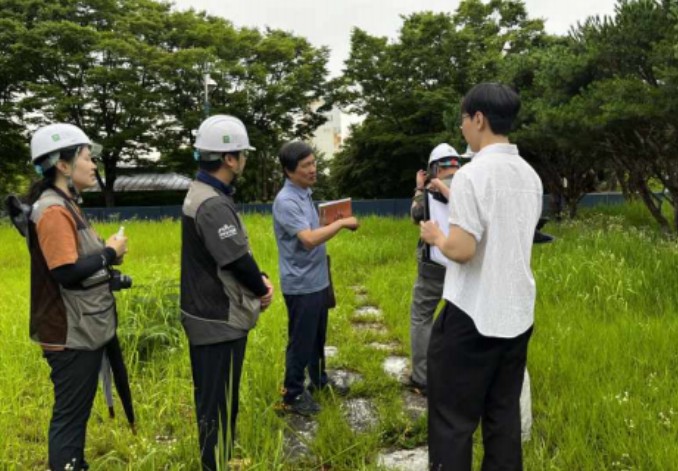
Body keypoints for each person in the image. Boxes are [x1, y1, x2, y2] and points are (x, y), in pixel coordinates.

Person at [421, 83, 543, 471]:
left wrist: (436, 236)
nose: (461, 127)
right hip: (516, 314)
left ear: (479, 119)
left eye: (463, 119)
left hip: (471, 314)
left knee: (452, 421)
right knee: (502, 418)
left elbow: (462, 249)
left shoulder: (473, 175)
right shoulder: (529, 175)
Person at [23, 123, 128, 471]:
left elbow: (78, 262)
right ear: (63, 165)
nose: (94, 165)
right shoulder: (53, 210)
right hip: (70, 333)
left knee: (75, 415)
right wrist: (109, 253)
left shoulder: (67, 205)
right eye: (87, 157)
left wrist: (107, 257)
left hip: (82, 327)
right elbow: (65, 271)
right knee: (70, 418)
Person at [180, 115, 274, 470]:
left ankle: (220, 457)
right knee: (217, 402)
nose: (244, 159)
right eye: (242, 153)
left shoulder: (204, 193)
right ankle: (214, 462)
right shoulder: (213, 203)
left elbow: (228, 254)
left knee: (217, 397)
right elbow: (236, 259)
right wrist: (261, 287)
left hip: (208, 313)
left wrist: (257, 276)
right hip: (217, 316)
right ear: (229, 158)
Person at [272, 141, 359, 416]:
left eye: (313, 162)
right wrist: (341, 223)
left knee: (317, 338)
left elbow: (313, 227)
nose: (313, 169)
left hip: (317, 279)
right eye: (306, 165)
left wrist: (333, 218)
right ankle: (293, 395)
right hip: (301, 284)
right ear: (289, 171)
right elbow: (308, 239)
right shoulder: (286, 201)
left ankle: (319, 381)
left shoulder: (304, 194)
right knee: (301, 341)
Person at [406, 143, 461, 396]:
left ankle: (422, 377)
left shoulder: (430, 189)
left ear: (434, 168)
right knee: (460, 319)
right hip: (462, 260)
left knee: (421, 316)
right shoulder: (469, 187)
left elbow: (416, 215)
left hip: (433, 263)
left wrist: (419, 187)